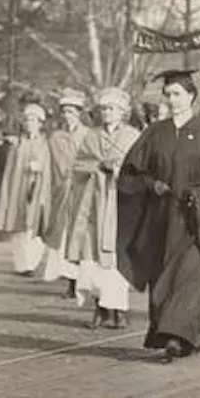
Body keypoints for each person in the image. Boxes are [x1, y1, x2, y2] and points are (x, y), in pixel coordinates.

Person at [116, 69, 200, 363]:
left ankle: (176, 337)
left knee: (189, 276)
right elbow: (131, 172)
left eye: (177, 94)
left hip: (195, 222)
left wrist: (199, 193)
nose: (172, 99)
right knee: (162, 277)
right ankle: (187, 336)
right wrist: (150, 184)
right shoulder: (155, 133)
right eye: (167, 94)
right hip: (160, 220)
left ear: (192, 96)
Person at [56, 87, 142, 328]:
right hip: (93, 204)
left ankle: (119, 310)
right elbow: (80, 164)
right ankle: (100, 308)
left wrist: (116, 170)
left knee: (115, 258)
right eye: (104, 109)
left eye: (113, 109)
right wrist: (97, 167)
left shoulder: (132, 136)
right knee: (91, 257)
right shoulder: (91, 136)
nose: (108, 113)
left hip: (119, 204)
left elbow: (139, 168)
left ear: (123, 112)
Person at [0, 101, 52, 275]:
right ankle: (22, 264)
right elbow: (9, 172)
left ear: (40, 123)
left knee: (34, 227)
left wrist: (40, 168)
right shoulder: (17, 145)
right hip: (19, 191)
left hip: (38, 191)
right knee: (19, 228)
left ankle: (32, 262)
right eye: (27, 120)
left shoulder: (46, 144)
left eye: (34, 120)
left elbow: (50, 167)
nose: (30, 123)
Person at [41, 90, 87, 297]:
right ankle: (69, 280)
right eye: (65, 111)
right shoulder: (56, 137)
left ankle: (77, 280)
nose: (68, 115)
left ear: (79, 112)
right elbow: (50, 165)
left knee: (79, 235)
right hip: (61, 192)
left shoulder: (87, 134)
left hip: (81, 191)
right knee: (63, 235)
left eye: (72, 111)